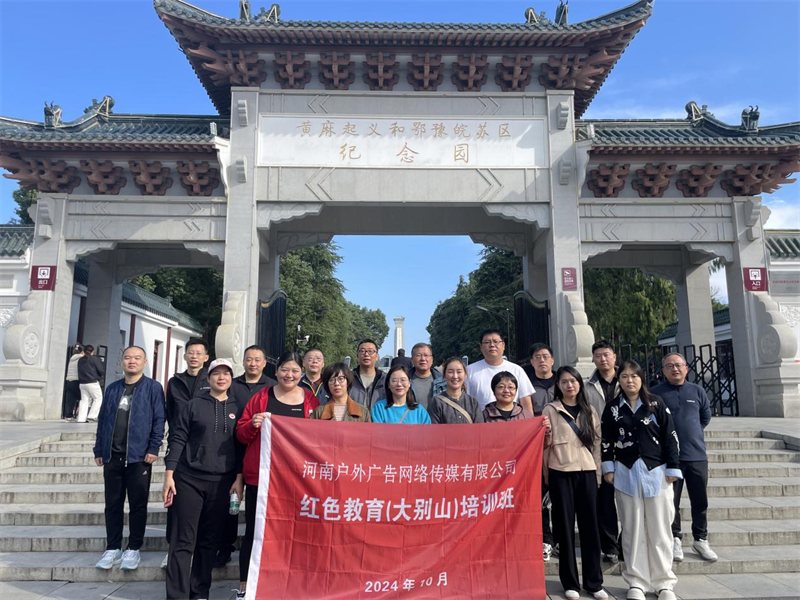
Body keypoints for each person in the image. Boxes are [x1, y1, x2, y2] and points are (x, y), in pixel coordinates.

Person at [235, 351, 320, 599]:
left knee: (294, 531)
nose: (289, 375)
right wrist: (252, 424)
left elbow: (318, 437)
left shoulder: (310, 401)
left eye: (294, 370)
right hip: (261, 477)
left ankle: (289, 581)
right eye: (284, 369)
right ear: (276, 371)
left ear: (301, 373)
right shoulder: (261, 397)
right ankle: (245, 584)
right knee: (254, 530)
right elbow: (240, 433)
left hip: (296, 480)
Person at [163, 358, 244, 600]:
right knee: (182, 541)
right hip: (188, 479)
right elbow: (178, 438)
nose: (221, 377)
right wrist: (169, 474)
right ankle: (176, 595)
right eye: (216, 373)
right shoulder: (193, 405)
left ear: (231, 379)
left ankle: (199, 592)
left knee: (209, 542)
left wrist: (238, 479)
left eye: (226, 374)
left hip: (222, 482)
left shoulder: (239, 408)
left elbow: (241, 447)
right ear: (208, 378)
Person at [601, 360, 681, 600]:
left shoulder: (656, 403)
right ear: (619, 380)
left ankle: (663, 582)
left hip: (656, 472)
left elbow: (670, 436)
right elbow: (606, 440)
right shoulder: (612, 408)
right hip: (626, 473)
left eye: (634, 376)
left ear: (642, 378)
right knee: (632, 529)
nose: (630, 381)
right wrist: (608, 467)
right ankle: (636, 581)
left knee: (660, 529)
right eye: (624, 376)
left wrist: (673, 467)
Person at [92, 346, 165, 572]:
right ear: (122, 361)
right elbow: (103, 419)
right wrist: (99, 448)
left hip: (139, 457)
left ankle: (133, 548)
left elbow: (159, 419)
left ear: (144, 362)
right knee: (112, 504)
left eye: (137, 358)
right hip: (112, 456)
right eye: (127, 357)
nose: (132, 361)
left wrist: (154, 446)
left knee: (138, 505)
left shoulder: (153, 388)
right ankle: (113, 547)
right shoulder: (113, 388)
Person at [543, 366, 607, 600]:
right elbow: (545, 447)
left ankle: (594, 582)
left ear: (580, 384)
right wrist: (547, 478)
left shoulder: (589, 410)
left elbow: (597, 445)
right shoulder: (550, 410)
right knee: (564, 528)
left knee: (590, 528)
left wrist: (597, 475)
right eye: (564, 382)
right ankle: (570, 582)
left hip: (587, 472)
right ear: (558, 386)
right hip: (560, 473)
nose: (569, 385)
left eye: (573, 381)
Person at [215, 344, 277, 568]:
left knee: (256, 509)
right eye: (249, 359)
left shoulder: (272, 387)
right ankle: (224, 547)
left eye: (257, 359)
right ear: (243, 361)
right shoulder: (232, 384)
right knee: (228, 502)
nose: (253, 363)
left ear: (265, 363)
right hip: (230, 446)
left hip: (260, 450)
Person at [651, 352, 716, 563]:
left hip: (696, 454)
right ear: (663, 371)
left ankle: (701, 538)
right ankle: (675, 538)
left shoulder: (697, 391)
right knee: (672, 501)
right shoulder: (655, 393)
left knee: (700, 500)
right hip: (670, 458)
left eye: (678, 365)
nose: (675, 369)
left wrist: (691, 433)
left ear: (686, 368)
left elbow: (705, 417)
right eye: (669, 366)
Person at [162, 338, 211, 569]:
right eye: (191, 352)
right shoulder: (175, 382)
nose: (194, 356)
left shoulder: (211, 380)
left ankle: (199, 549)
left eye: (198, 353)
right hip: (180, 445)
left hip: (205, 446)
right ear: (185, 356)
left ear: (206, 357)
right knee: (175, 499)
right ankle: (172, 547)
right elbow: (170, 412)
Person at [585, 340, 622, 564]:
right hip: (600, 446)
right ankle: (610, 546)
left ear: (614, 357)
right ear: (593, 359)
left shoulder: (627, 379)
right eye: (598, 356)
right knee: (605, 500)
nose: (603, 359)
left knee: (629, 500)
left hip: (627, 445)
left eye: (606, 355)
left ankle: (627, 543)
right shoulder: (588, 386)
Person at [466, 329, 534, 413]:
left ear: (503, 345)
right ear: (481, 347)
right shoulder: (469, 370)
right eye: (487, 342)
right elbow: (465, 401)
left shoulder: (517, 370)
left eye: (496, 341)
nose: (492, 345)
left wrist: (530, 420)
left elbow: (525, 402)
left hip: (512, 419)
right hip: (480, 419)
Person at [428, 357, 484, 424]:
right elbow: (434, 429)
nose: (455, 376)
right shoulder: (436, 402)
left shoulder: (473, 402)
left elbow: (479, 428)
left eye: (459, 372)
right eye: (450, 372)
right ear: (444, 375)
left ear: (465, 375)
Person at [349, 339, 386, 409]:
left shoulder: (385, 379)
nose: (366, 354)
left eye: (370, 351)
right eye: (362, 351)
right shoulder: (348, 378)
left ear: (377, 356)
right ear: (357, 356)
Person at [408, 342, 446, 409]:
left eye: (426, 355)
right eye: (418, 355)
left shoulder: (443, 382)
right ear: (412, 360)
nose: (423, 359)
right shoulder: (405, 382)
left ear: (431, 360)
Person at [523, 343, 557, 415]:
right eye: (537, 357)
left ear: (552, 360)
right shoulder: (527, 385)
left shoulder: (560, 381)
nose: (542, 360)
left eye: (545, 357)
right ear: (532, 362)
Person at [77, 344, 106, 423]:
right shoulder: (94, 359)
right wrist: (100, 376)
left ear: (84, 351)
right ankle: (92, 416)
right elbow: (101, 370)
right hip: (92, 382)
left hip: (82, 383)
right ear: (93, 351)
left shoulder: (80, 360)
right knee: (98, 398)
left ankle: (81, 418)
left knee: (84, 400)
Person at [64, 343, 83, 421]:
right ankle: (80, 415)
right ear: (82, 351)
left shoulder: (71, 359)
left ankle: (68, 416)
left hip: (69, 380)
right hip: (77, 380)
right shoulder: (81, 358)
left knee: (70, 399)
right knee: (83, 398)